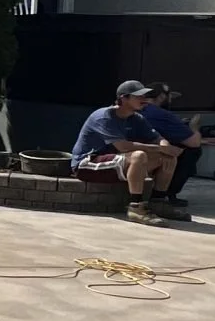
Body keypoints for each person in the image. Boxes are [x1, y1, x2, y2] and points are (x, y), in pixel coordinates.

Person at [69, 80, 188, 221]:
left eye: (145, 96)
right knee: (138, 156)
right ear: (123, 98)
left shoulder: (137, 118)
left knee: (167, 157)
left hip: (115, 162)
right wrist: (159, 148)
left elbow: (158, 139)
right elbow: (123, 146)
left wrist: (166, 148)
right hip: (87, 164)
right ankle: (136, 207)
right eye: (138, 96)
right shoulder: (103, 116)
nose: (144, 100)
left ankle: (158, 202)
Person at [139, 83, 201, 203]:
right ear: (162, 97)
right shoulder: (160, 114)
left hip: (131, 152)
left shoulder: (135, 112)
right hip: (147, 156)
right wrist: (194, 127)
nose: (171, 101)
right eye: (170, 97)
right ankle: (166, 194)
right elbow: (194, 142)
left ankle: (158, 195)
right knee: (191, 151)